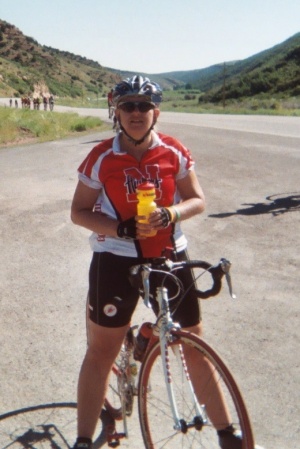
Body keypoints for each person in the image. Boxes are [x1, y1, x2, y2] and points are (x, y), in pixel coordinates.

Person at [70, 75, 258, 449]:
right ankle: (84, 440)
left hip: (169, 256)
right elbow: (79, 211)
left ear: (156, 112)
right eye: (128, 106)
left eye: (144, 105)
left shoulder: (173, 151)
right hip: (115, 260)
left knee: (191, 342)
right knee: (102, 351)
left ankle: (226, 434)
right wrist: (120, 229)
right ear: (117, 112)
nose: (136, 112)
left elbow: (197, 199)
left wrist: (171, 214)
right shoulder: (101, 157)